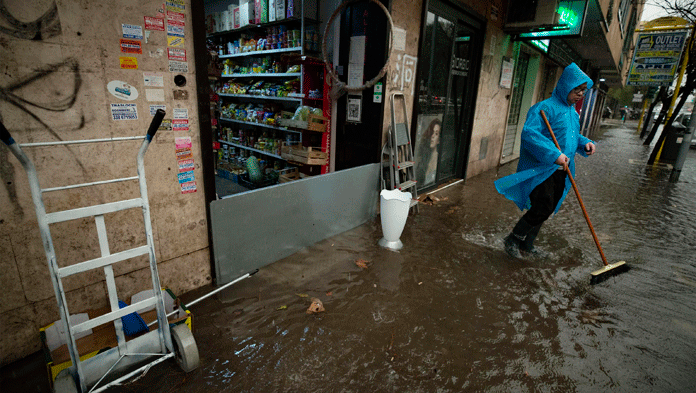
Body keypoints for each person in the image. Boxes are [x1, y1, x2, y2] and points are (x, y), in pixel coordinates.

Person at [494, 62, 596, 258]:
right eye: (577, 89)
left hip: (562, 170)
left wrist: (585, 144)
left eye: (583, 91)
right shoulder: (544, 108)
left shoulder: (572, 113)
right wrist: (554, 155)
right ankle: (513, 239)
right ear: (566, 86)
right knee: (543, 207)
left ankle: (527, 245)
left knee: (547, 209)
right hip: (542, 169)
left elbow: (572, 137)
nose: (580, 94)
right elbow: (530, 135)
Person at [415, 118, 441, 186]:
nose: (432, 136)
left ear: (439, 140)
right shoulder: (424, 156)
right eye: (432, 132)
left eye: (436, 133)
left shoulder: (440, 159)